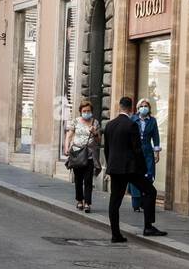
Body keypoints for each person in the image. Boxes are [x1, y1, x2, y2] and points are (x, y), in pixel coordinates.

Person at [103, 96, 167, 241]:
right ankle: (148, 226)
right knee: (150, 191)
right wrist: (143, 170)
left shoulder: (110, 125)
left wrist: (110, 166)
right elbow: (137, 149)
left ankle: (115, 234)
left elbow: (107, 149)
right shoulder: (132, 125)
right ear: (132, 108)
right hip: (130, 169)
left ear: (120, 107)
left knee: (115, 200)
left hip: (115, 169)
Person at [65, 100, 101, 212]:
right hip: (76, 153)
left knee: (88, 180)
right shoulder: (75, 121)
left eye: (89, 111)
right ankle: (79, 200)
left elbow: (99, 140)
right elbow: (69, 135)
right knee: (78, 179)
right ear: (80, 111)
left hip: (89, 155)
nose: (87, 112)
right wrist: (66, 147)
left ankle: (87, 203)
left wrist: (95, 133)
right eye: (84, 111)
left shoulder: (95, 123)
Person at [128, 98, 162, 213]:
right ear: (138, 108)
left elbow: (156, 137)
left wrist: (156, 152)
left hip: (147, 151)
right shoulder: (133, 119)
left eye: (146, 105)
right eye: (142, 106)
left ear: (149, 108)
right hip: (135, 152)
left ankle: (144, 201)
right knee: (135, 176)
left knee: (148, 175)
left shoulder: (152, 121)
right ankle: (136, 203)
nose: (144, 108)